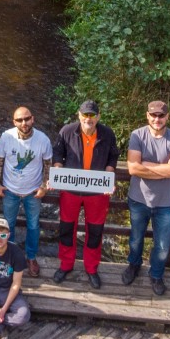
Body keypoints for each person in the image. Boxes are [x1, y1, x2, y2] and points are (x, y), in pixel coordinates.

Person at [51, 100, 120, 290]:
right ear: (79, 115)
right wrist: (58, 172)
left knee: (95, 231)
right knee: (66, 228)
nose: (88, 119)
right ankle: (66, 264)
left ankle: (91, 268)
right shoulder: (67, 131)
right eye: (85, 115)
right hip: (71, 189)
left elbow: (113, 156)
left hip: (97, 191)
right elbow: (58, 153)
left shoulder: (107, 134)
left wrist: (109, 171)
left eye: (92, 115)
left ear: (98, 116)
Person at [122, 101, 170, 296]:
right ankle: (134, 265)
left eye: (161, 115)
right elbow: (133, 168)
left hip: (165, 202)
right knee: (136, 238)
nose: (157, 119)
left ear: (167, 117)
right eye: (154, 115)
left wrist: (146, 166)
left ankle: (156, 274)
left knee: (163, 245)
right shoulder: (137, 135)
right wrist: (163, 170)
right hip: (138, 199)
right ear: (147, 116)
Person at [0, 106, 52, 277]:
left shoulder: (43, 140)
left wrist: (44, 186)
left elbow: (48, 166)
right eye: (19, 120)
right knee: (7, 226)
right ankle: (9, 257)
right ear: (14, 122)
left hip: (33, 192)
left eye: (26, 119)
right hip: (10, 190)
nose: (23, 123)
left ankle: (31, 258)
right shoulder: (6, 137)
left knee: (33, 226)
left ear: (33, 119)